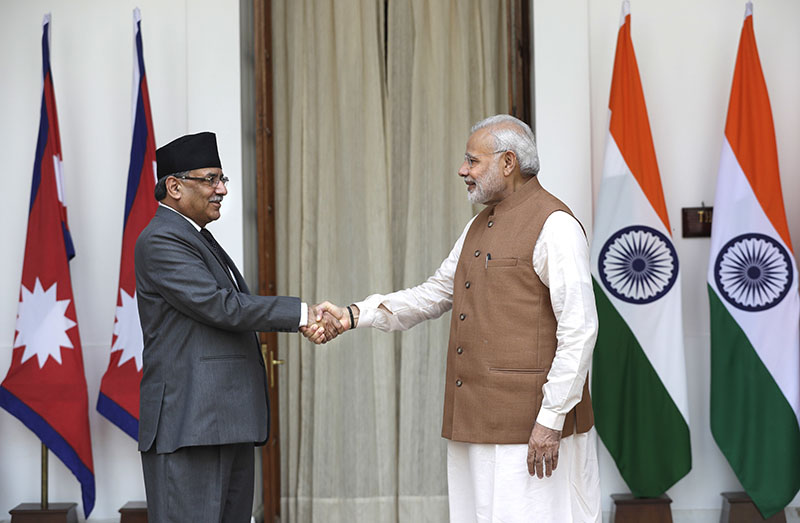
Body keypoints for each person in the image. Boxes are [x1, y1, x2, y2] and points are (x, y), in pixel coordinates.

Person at [311, 115, 601, 522]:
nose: (463, 170)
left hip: (531, 430)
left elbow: (580, 330)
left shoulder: (555, 225)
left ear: (508, 162)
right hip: (474, 424)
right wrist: (355, 314)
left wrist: (550, 421)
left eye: (473, 160)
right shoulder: (477, 226)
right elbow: (433, 293)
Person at [135, 131, 334, 523]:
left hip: (223, 421)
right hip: (190, 424)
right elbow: (219, 306)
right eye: (210, 179)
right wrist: (302, 314)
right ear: (174, 186)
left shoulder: (196, 238)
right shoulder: (161, 240)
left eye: (222, 179)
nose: (222, 189)